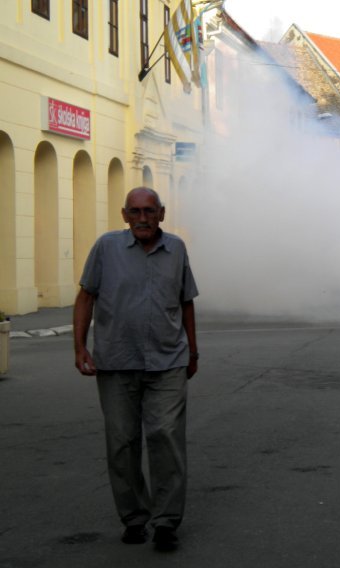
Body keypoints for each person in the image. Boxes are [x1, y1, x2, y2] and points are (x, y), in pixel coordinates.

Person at [73, 187, 199, 551]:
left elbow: (186, 302)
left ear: (161, 213)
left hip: (168, 360)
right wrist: (80, 346)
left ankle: (165, 522)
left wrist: (194, 350)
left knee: (166, 437)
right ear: (124, 215)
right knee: (122, 443)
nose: (142, 218)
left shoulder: (176, 249)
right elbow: (86, 296)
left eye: (149, 211)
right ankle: (134, 517)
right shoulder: (105, 248)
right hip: (116, 360)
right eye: (135, 212)